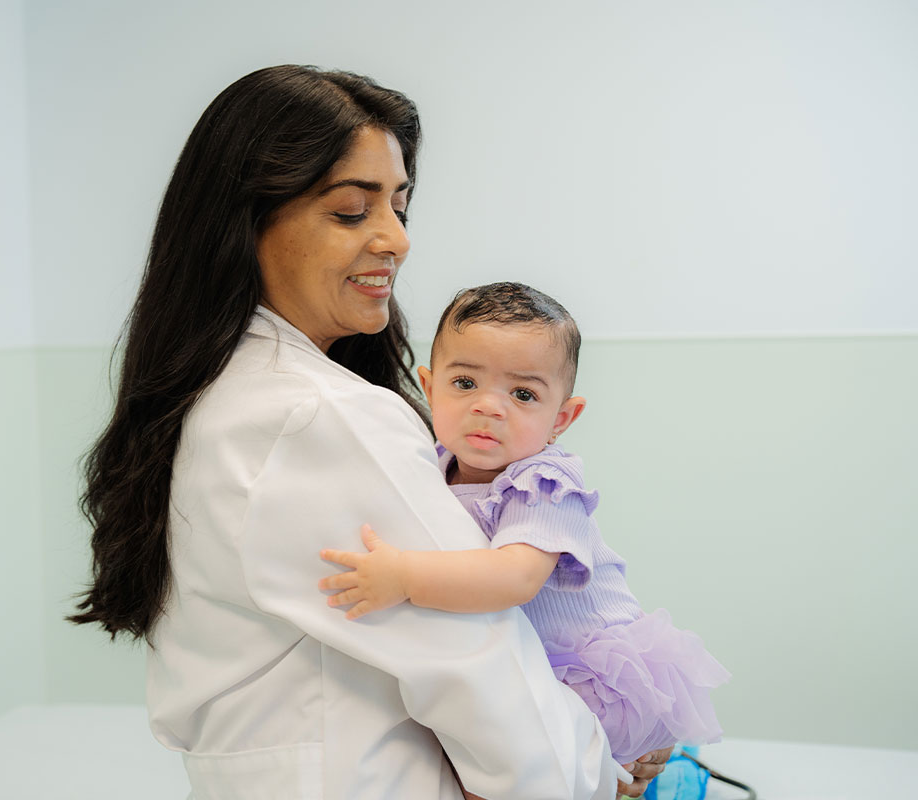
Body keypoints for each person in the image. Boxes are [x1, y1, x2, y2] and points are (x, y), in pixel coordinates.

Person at [71, 65, 668, 799]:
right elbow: (481, 667)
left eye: (400, 206)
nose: (396, 240)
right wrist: (597, 778)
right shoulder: (316, 413)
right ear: (245, 223)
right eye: (353, 211)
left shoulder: (217, 393)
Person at [319, 282, 730, 785]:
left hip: (590, 674)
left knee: (518, 778)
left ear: (561, 418)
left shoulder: (543, 484)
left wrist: (402, 575)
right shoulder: (432, 466)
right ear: (428, 388)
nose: (490, 407)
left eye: (522, 394)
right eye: (466, 383)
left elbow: (515, 578)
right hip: (525, 665)